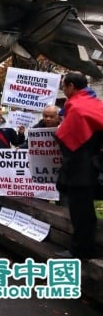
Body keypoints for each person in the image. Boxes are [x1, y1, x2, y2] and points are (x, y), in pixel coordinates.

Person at [55, 72, 103, 258]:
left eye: (64, 86)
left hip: (81, 168)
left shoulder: (76, 107)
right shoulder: (96, 103)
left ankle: (81, 250)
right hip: (95, 164)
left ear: (72, 86)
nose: (63, 90)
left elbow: (66, 139)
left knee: (81, 212)